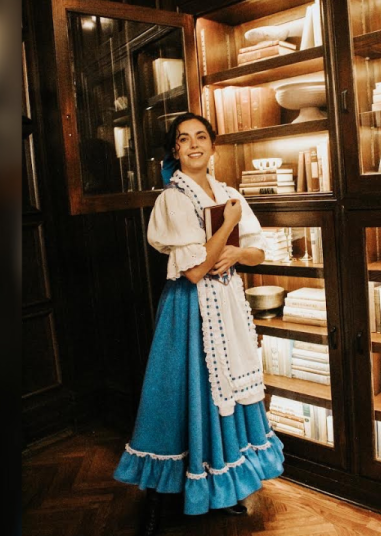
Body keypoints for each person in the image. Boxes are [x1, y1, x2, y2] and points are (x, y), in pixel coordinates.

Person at [113, 113, 284, 536]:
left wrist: (238, 254)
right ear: (175, 151)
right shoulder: (172, 199)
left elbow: (259, 247)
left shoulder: (229, 192)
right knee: (178, 396)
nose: (193, 145)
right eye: (183, 140)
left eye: (201, 137)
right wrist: (227, 225)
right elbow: (193, 270)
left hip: (226, 303)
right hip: (189, 311)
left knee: (221, 394)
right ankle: (158, 497)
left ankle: (219, 490)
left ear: (213, 145)